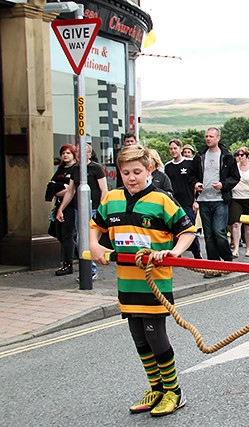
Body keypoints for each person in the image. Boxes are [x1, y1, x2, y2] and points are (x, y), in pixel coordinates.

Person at [89, 145, 196, 417]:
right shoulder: (111, 199)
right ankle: (156, 389)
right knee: (139, 338)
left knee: (155, 337)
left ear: (149, 170)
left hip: (154, 284)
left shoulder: (162, 200)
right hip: (127, 283)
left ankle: (174, 391)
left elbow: (188, 231)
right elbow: (96, 226)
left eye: (137, 171)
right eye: (125, 173)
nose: (131, 178)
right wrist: (95, 245)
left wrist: (173, 251)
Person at [55, 143, 108, 279]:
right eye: (77, 151)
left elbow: (104, 190)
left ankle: (91, 270)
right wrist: (60, 210)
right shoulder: (75, 169)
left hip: (93, 208)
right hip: (79, 210)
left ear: (89, 154)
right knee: (79, 239)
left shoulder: (96, 168)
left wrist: (101, 210)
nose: (79, 154)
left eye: (82, 152)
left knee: (85, 238)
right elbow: (70, 191)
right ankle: (88, 269)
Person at [192, 127, 240, 275]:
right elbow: (192, 175)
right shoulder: (199, 156)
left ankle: (227, 260)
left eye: (211, 136)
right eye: (206, 136)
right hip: (204, 200)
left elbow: (235, 177)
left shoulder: (227, 157)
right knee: (208, 234)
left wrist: (223, 185)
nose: (208, 139)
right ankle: (213, 265)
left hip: (220, 199)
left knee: (219, 231)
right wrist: (195, 184)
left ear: (218, 138)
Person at [164, 138, 202, 259]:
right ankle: (177, 254)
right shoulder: (168, 166)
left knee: (189, 229)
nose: (173, 151)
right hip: (174, 204)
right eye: (171, 149)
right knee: (175, 230)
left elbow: (195, 183)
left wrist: (196, 201)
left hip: (187, 202)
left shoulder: (189, 163)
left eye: (175, 148)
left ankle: (197, 253)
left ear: (180, 149)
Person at [49, 144, 78, 276]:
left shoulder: (75, 169)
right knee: (59, 234)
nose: (65, 155)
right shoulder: (60, 170)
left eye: (68, 153)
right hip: (60, 205)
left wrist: (62, 188)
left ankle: (68, 263)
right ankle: (78, 253)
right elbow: (52, 188)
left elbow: (70, 190)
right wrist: (60, 188)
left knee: (67, 234)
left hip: (71, 206)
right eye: (63, 153)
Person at [229, 146, 249, 258]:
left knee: (248, 226)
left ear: (247, 156)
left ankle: (248, 248)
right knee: (236, 223)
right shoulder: (234, 167)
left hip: (248, 198)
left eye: (242, 155)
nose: (239, 157)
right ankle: (235, 248)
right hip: (236, 198)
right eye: (238, 155)